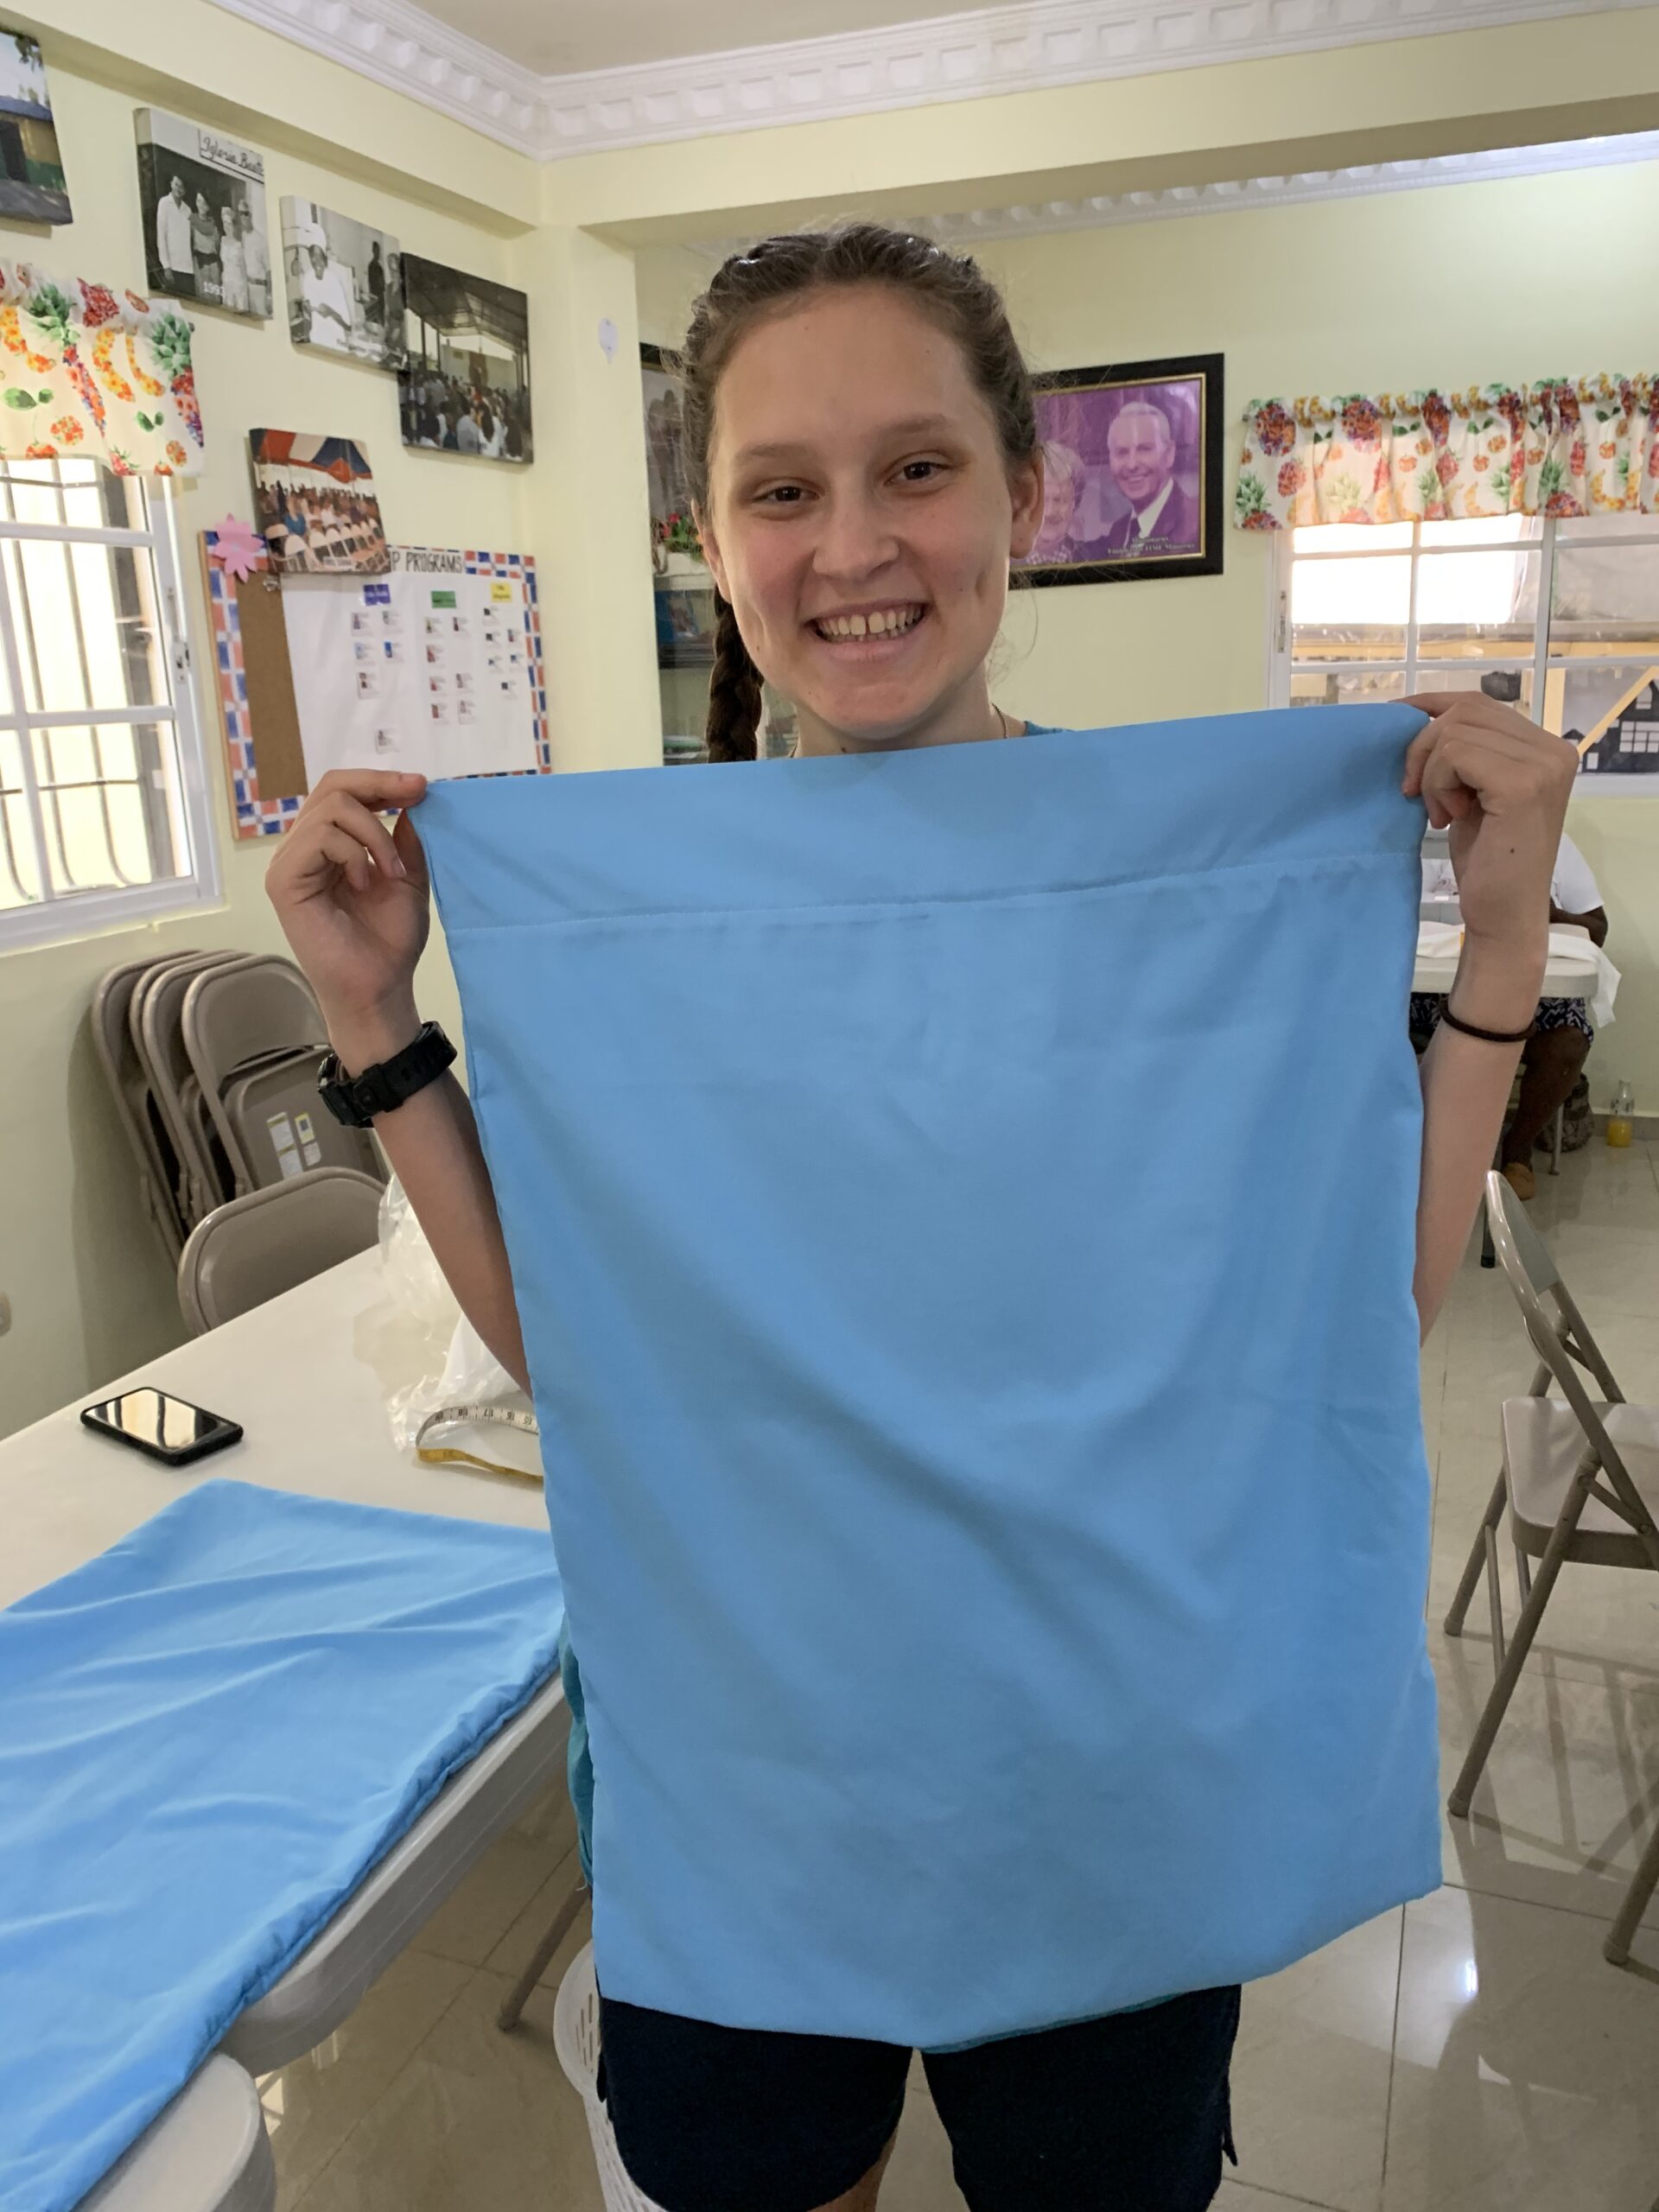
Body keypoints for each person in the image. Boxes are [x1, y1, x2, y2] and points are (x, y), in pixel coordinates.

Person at [266, 222, 1573, 2212]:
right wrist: (372, 1009)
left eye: (917, 467)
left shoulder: (1185, 895)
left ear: (1026, 498)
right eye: (781, 488)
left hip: (1105, 1764)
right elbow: (587, 1364)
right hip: (751, 1759)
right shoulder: (638, 925)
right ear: (713, 538)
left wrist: (1498, 949)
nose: (853, 543)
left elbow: (1343, 1320)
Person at [1411, 821, 1607, 1199]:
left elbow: (1598, 928)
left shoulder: (1554, 843)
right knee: (1371, 1027)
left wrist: (1550, 915)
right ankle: (1416, 1147)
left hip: (1529, 991)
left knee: (1568, 1041)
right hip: (1432, 987)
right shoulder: (1424, 841)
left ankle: (1517, 1150)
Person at [1098, 398, 1200, 554]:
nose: (1132, 465)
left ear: (1169, 454)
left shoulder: (1198, 522)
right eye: (1122, 452)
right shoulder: (1119, 531)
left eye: (1144, 449)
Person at [299, 234, 355, 350]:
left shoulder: (334, 282)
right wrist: (306, 309)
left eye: (320, 257)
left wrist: (331, 312)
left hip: (335, 342)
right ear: (309, 258)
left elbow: (348, 327)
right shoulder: (308, 279)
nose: (317, 261)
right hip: (317, 339)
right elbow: (310, 317)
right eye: (313, 256)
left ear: (325, 259)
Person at [155, 174, 194, 294]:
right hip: (172, 267)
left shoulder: (188, 210)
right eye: (176, 184)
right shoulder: (164, 203)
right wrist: (166, 266)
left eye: (181, 186)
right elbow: (161, 236)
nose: (178, 189)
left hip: (188, 268)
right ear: (171, 184)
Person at [218, 201, 250, 315]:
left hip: (238, 283)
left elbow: (244, 269)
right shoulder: (222, 241)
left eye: (229, 224)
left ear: (234, 225)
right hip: (227, 282)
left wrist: (244, 290)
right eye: (225, 223)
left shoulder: (239, 244)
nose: (227, 227)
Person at [239, 203, 270, 317]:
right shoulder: (243, 236)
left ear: (251, 216)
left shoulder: (260, 240)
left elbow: (269, 270)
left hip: (260, 288)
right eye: (241, 214)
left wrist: (269, 296)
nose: (243, 217)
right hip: (248, 288)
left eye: (246, 214)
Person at [190, 191, 221, 304]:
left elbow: (217, 247)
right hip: (200, 264)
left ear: (208, 206)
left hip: (213, 265)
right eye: (199, 201)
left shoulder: (214, 225)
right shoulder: (192, 223)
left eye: (204, 203)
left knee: (216, 296)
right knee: (202, 297)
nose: (201, 205)